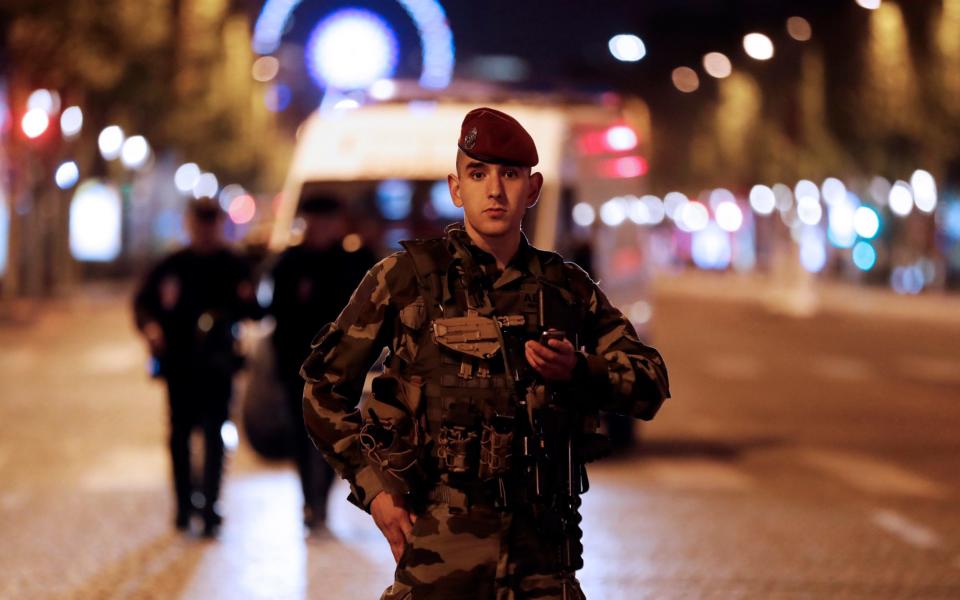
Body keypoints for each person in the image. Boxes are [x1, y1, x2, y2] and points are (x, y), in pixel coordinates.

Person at [301, 107, 670, 598]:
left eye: (510, 175)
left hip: (543, 561)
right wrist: (376, 490)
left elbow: (650, 382)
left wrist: (580, 370)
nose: (495, 190)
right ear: (457, 188)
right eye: (478, 174)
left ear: (533, 189)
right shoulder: (404, 279)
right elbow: (323, 390)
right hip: (439, 554)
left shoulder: (564, 289)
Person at [133, 199, 258, 537]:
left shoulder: (233, 264)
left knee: (217, 433)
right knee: (180, 434)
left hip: (218, 364)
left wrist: (245, 302)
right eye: (199, 224)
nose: (204, 231)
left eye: (210, 224)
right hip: (181, 363)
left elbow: (254, 310)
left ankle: (212, 504)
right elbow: (144, 304)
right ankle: (184, 503)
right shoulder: (173, 265)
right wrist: (152, 329)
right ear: (190, 225)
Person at [265, 194, 376, 531]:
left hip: (340, 368)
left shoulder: (354, 262)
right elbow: (278, 316)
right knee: (302, 437)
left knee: (334, 437)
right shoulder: (289, 263)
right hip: (297, 366)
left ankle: (321, 501)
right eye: (316, 222)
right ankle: (308, 501)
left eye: (329, 222)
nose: (322, 229)